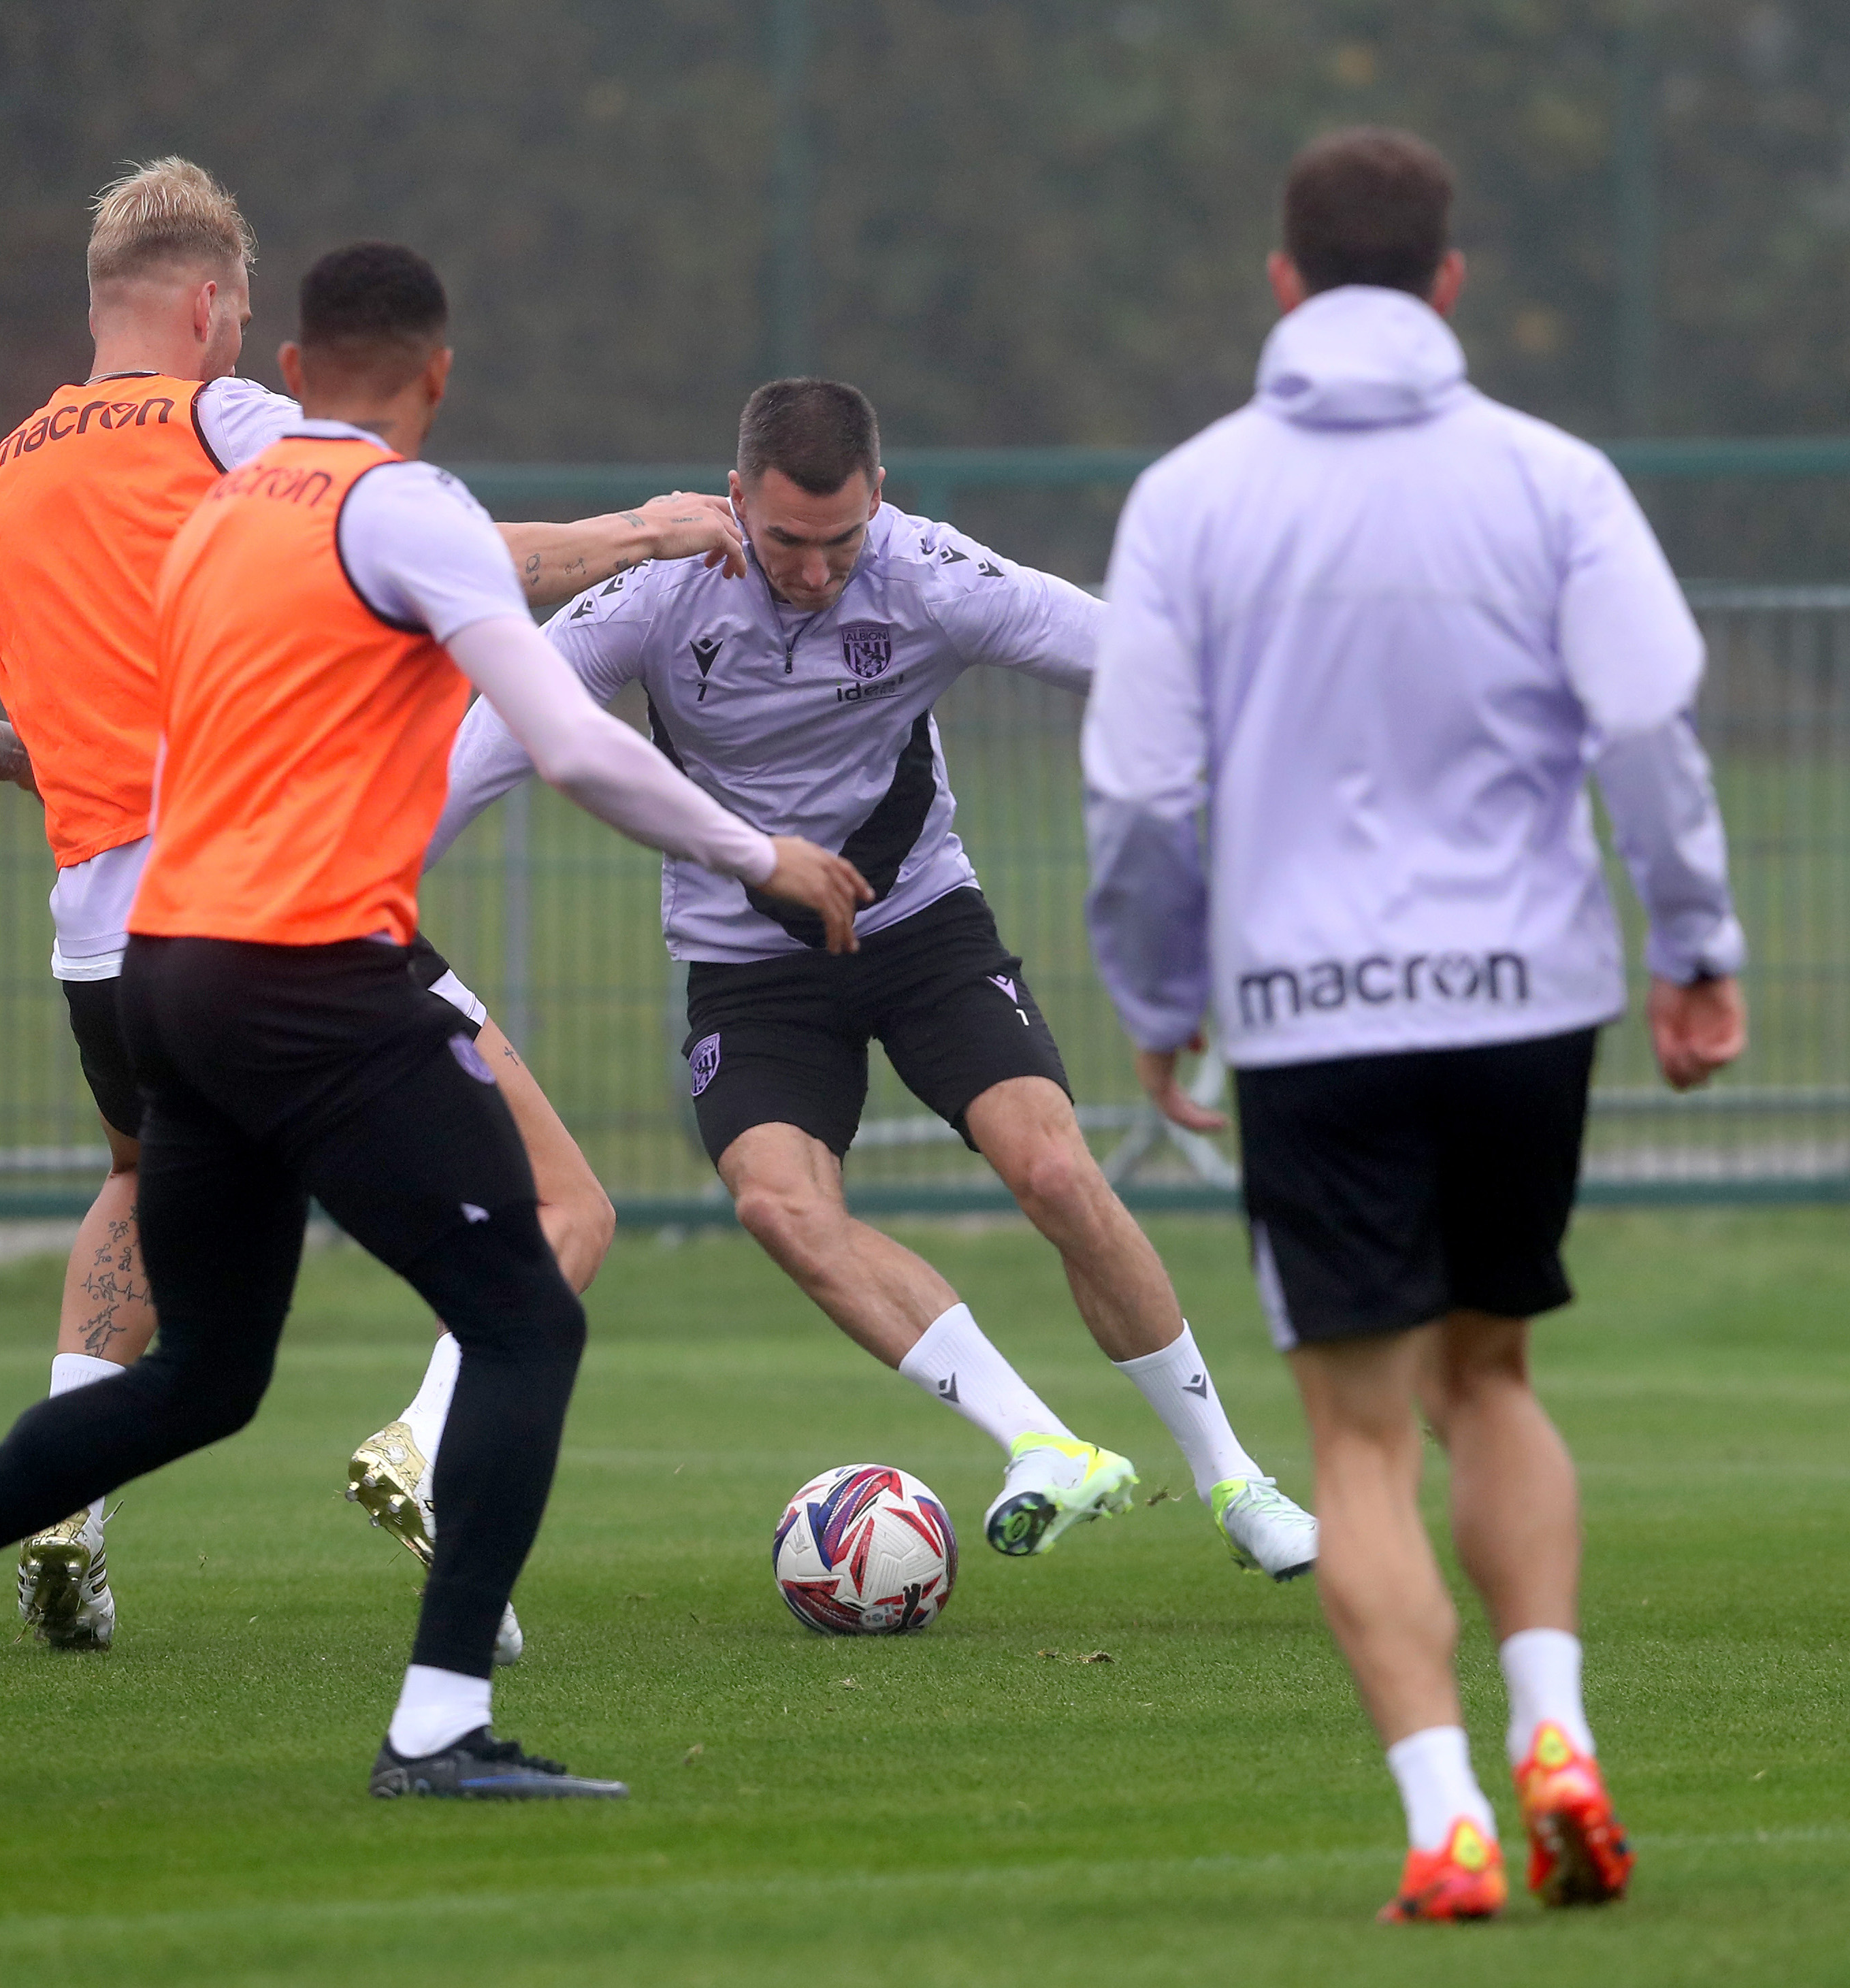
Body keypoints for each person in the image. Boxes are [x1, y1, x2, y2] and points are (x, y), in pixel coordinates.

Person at [0, 239, 870, 1799]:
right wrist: (764, 854)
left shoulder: (216, 525)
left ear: (288, 372)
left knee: (203, 1377)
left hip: (169, 977)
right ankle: (437, 1730)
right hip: (311, 975)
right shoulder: (403, 509)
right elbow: (568, 742)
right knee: (527, 1307)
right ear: (438, 375)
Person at [0, 157, 739, 1655]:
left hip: (103, 946)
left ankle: (62, 1501)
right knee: (559, 1214)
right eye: (241, 310)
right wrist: (645, 533)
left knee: (146, 1192)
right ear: (211, 306)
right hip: (272, 913)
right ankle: (432, 1519)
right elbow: (436, 549)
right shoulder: (233, 423)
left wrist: (54, 765)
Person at [1082, 127, 1749, 1921]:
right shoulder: (1554, 479)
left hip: (1309, 1017)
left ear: (1283, 284)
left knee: (1363, 1437)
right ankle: (1559, 1734)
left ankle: (1448, 1817)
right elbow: (1648, 730)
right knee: (1495, 1375)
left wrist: (1162, 1006)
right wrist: (1694, 938)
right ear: (1450, 284)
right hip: (1527, 1000)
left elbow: (1143, 798)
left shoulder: (1196, 496)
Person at [427, 378, 1320, 1579]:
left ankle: (1235, 1480)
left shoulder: (931, 571)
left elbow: (1133, 658)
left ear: (880, 501)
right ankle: (1045, 1444)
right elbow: (491, 742)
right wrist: (360, 884)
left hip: (919, 927)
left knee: (1053, 1166)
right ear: (734, 499)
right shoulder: (652, 595)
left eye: (841, 540)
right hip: (748, 964)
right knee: (781, 1205)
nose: (813, 570)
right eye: (786, 541)